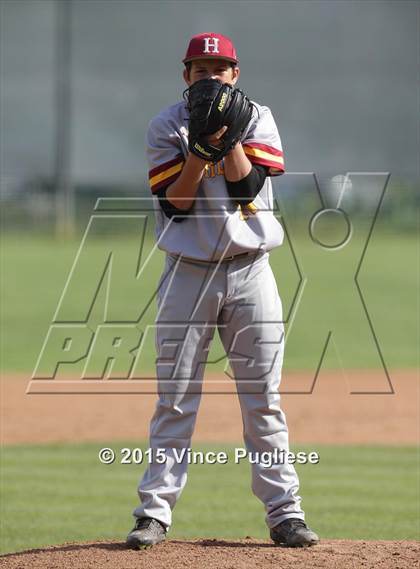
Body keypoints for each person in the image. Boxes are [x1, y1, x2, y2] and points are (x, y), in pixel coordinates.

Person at [126, 32, 319, 549]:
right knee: (175, 399)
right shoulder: (166, 125)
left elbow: (248, 189)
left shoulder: (257, 117)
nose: (210, 75)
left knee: (264, 399)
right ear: (185, 75)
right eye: (200, 67)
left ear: (235, 73)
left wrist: (227, 136)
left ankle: (285, 513)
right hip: (187, 273)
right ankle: (154, 514)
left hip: (251, 270)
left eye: (220, 67)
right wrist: (199, 148)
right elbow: (177, 204)